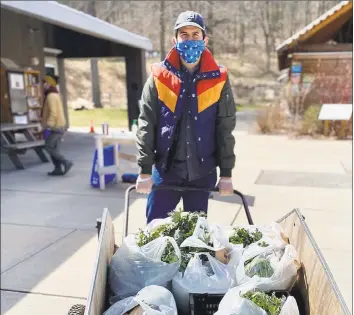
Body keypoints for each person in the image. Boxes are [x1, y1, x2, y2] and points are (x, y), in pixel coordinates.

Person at [136, 11, 236, 223]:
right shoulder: (158, 76)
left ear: (205, 40)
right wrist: (145, 170)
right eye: (184, 34)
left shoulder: (219, 78)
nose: (190, 39)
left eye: (195, 34)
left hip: (202, 173)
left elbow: (224, 128)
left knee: (195, 238)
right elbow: (147, 124)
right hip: (165, 172)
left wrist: (226, 173)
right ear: (175, 40)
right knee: (154, 232)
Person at [42, 75, 73, 176]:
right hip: (59, 125)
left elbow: (53, 112)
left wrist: (48, 125)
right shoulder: (55, 94)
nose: (43, 85)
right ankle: (58, 169)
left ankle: (66, 162)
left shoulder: (50, 96)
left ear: (49, 84)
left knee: (48, 146)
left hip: (55, 127)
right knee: (54, 148)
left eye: (44, 83)